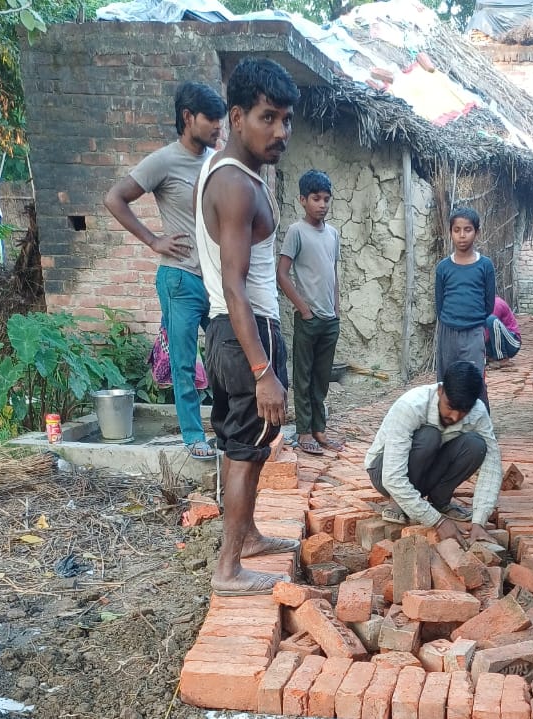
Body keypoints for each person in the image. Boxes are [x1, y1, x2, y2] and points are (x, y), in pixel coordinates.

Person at [195, 58, 301, 596]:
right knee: (244, 448)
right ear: (236, 117)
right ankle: (229, 568)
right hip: (246, 333)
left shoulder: (226, 170)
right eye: (268, 118)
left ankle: (249, 537)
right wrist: (263, 370)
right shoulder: (236, 185)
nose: (280, 131)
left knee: (251, 441)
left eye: (286, 119)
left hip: (235, 331)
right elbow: (235, 285)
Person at [104, 82, 225, 459]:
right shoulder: (164, 161)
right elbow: (114, 198)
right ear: (188, 117)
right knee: (184, 362)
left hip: (216, 282)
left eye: (221, 119)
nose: (218, 126)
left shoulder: (217, 162)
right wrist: (153, 240)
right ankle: (193, 436)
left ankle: (227, 430)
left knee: (226, 357)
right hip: (180, 279)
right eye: (211, 119)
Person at [365, 360, 501, 544]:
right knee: (429, 436)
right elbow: (392, 477)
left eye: (463, 411)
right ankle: (397, 501)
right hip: (382, 472)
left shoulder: (478, 411)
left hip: (426, 473)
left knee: (476, 445)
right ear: (440, 390)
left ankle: (440, 501)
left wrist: (479, 522)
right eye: (450, 406)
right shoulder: (412, 405)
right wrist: (437, 522)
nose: (455, 417)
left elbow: (492, 465)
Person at [276, 169, 344, 456]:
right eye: (316, 198)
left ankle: (319, 429)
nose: (322, 204)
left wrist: (337, 310)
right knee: (303, 378)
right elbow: (282, 274)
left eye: (326, 199)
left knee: (321, 378)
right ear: (303, 200)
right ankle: (304, 431)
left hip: (329, 320)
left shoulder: (333, 234)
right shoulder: (296, 231)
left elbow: (333, 273)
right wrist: (304, 309)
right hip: (309, 319)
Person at [435, 206, 496, 406]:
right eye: (457, 230)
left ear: (477, 232)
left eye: (467, 230)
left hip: (474, 333)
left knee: (474, 380)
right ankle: (447, 420)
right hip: (447, 333)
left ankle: (481, 421)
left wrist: (474, 321)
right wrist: (451, 321)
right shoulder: (443, 267)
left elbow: (489, 303)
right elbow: (439, 303)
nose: (462, 235)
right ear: (450, 232)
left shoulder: (485, 265)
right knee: (447, 380)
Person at [485, 296, 522, 363]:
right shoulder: (482, 305)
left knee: (492, 320)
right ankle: (491, 356)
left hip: (512, 343)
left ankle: (501, 358)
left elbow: (487, 332)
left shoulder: (496, 303)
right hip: (494, 342)